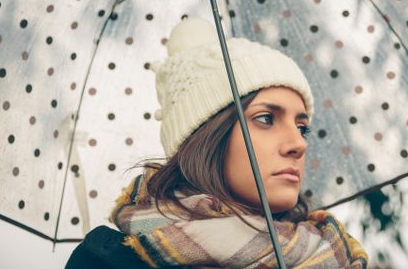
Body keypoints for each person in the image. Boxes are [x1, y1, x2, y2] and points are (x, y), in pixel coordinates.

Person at [66, 17, 367, 268]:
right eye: (265, 119)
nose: (298, 145)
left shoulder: (334, 253)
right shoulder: (111, 261)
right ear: (207, 139)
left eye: (302, 128)